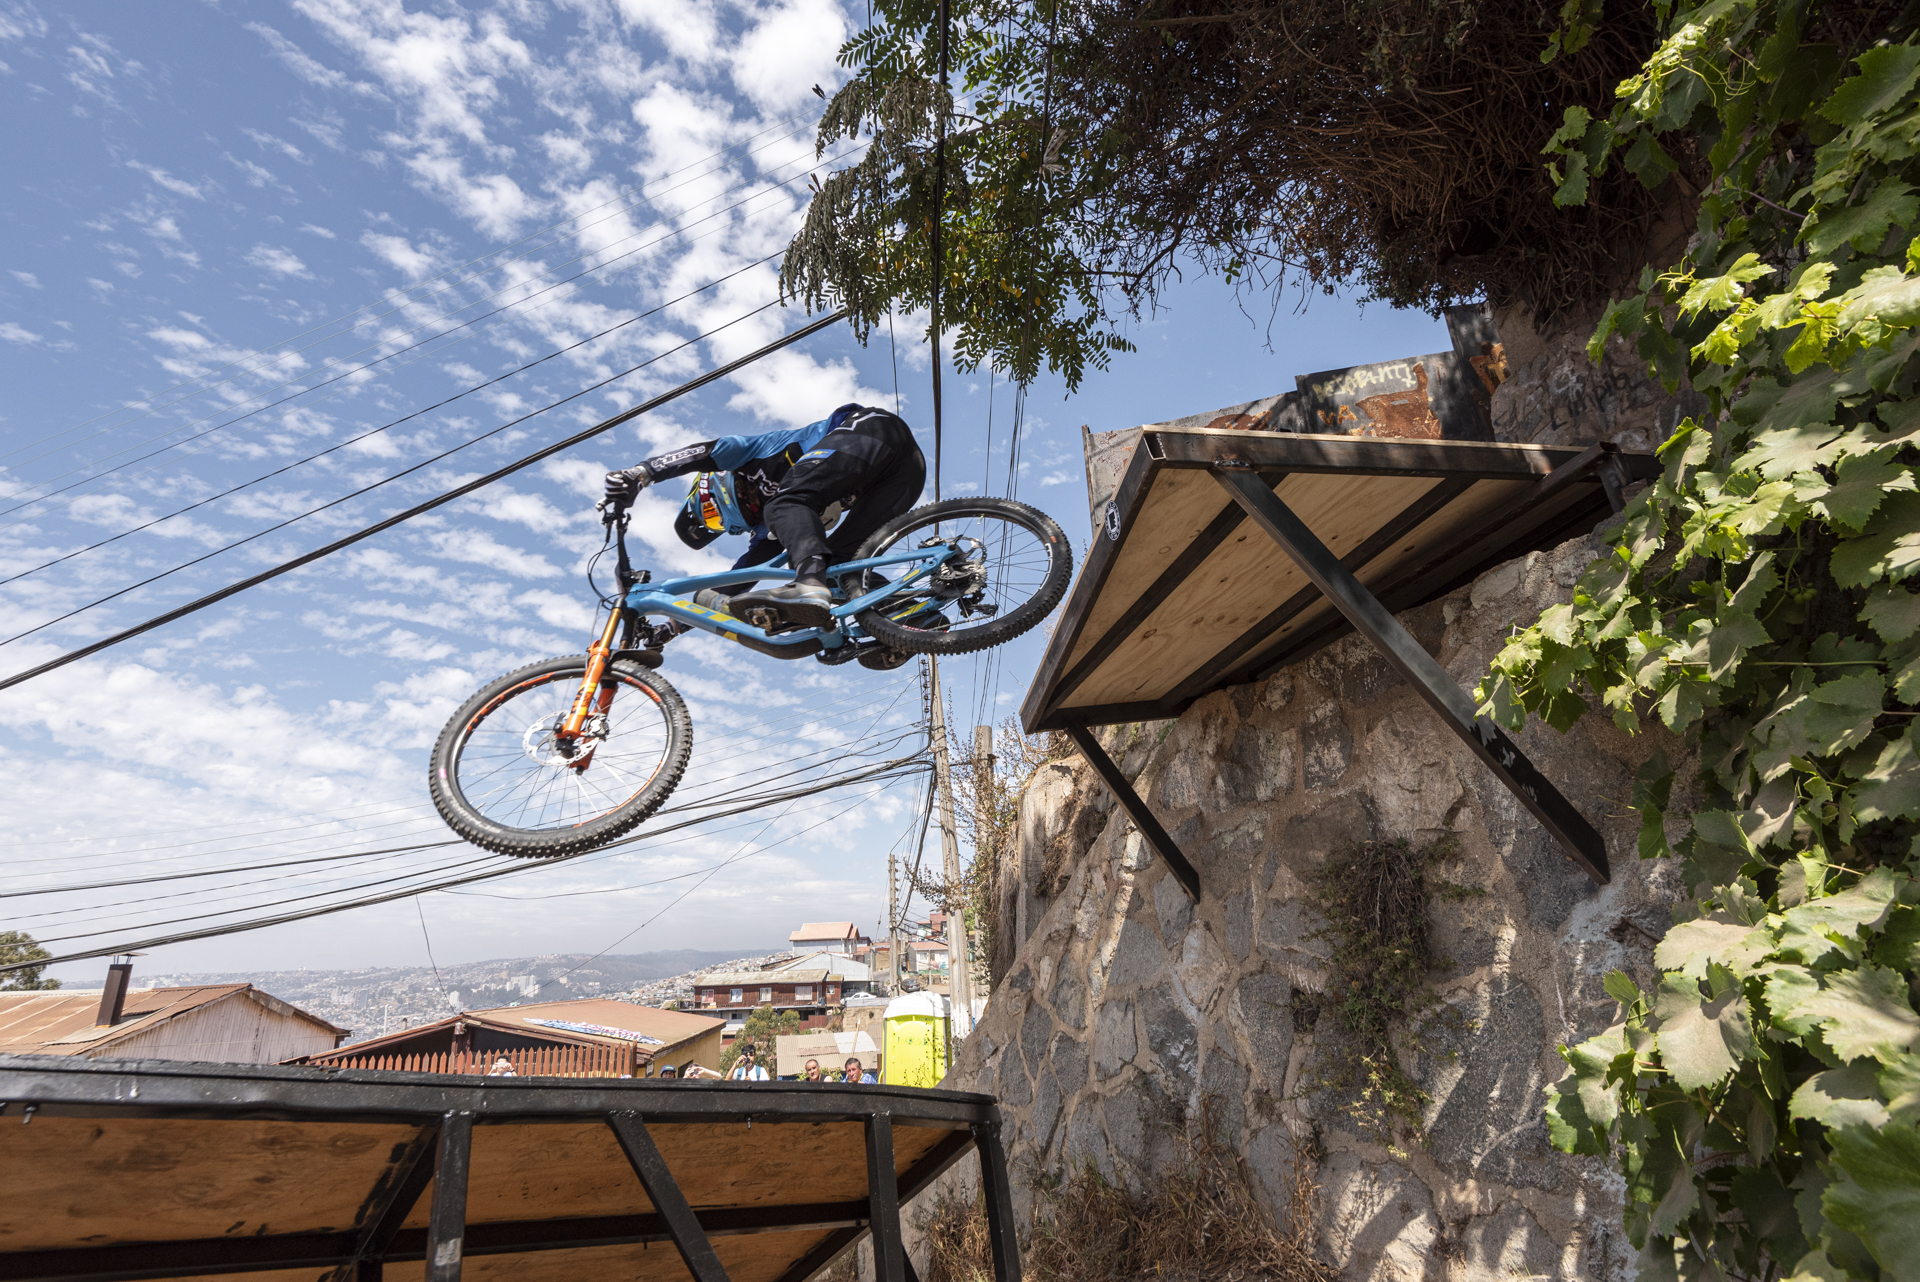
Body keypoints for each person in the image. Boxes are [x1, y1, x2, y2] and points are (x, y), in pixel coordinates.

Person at [602, 404, 926, 644]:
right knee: (840, 568)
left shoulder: (745, 455)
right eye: (719, 529)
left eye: (713, 515)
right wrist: (673, 627)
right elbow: (738, 580)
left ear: (709, 492)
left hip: (873, 429)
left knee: (786, 505)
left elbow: (697, 454)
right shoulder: (769, 525)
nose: (728, 525)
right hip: (905, 474)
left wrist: (639, 474)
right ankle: (914, 614)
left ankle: (808, 586)